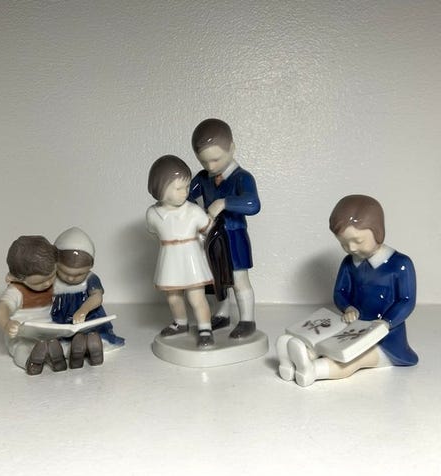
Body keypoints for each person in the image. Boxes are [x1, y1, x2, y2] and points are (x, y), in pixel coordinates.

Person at [277, 194, 418, 387]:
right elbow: (340, 292)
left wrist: (386, 322)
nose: (351, 248)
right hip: (352, 326)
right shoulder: (349, 263)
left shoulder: (400, 264)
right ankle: (297, 355)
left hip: (385, 337)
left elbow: (406, 300)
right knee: (327, 342)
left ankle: (313, 370)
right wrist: (348, 307)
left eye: (358, 240)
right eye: (343, 243)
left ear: (378, 231)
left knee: (352, 359)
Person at [189, 118, 261, 338]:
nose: (211, 167)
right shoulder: (203, 178)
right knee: (215, 279)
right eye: (204, 161)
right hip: (211, 237)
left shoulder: (242, 178)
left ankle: (247, 320)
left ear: (232, 148)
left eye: (216, 159)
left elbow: (253, 204)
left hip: (233, 236)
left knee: (239, 280)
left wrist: (224, 203)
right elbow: (186, 196)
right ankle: (222, 314)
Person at [147, 155, 214, 347]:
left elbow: (209, 229)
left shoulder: (193, 211)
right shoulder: (153, 214)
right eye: (178, 188)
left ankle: (205, 328)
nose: (185, 192)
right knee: (173, 296)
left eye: (187, 186)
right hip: (169, 259)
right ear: (160, 188)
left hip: (191, 258)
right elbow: (154, 235)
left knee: (196, 296)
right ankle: (180, 322)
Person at [51, 227, 124, 368]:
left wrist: (83, 310)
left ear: (90, 267)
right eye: (64, 272)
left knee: (93, 331)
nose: (71, 278)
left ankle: (91, 342)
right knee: (58, 336)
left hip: (88, 317)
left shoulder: (91, 278)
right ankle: (71, 346)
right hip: (62, 318)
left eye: (79, 274)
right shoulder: (52, 279)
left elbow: (97, 297)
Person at [0, 235, 66, 375]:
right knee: (21, 348)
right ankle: (31, 362)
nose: (47, 283)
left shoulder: (54, 284)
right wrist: (7, 323)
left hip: (50, 330)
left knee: (62, 342)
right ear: (18, 278)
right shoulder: (16, 291)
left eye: (52, 276)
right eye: (38, 282)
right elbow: (1, 309)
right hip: (23, 333)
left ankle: (57, 357)